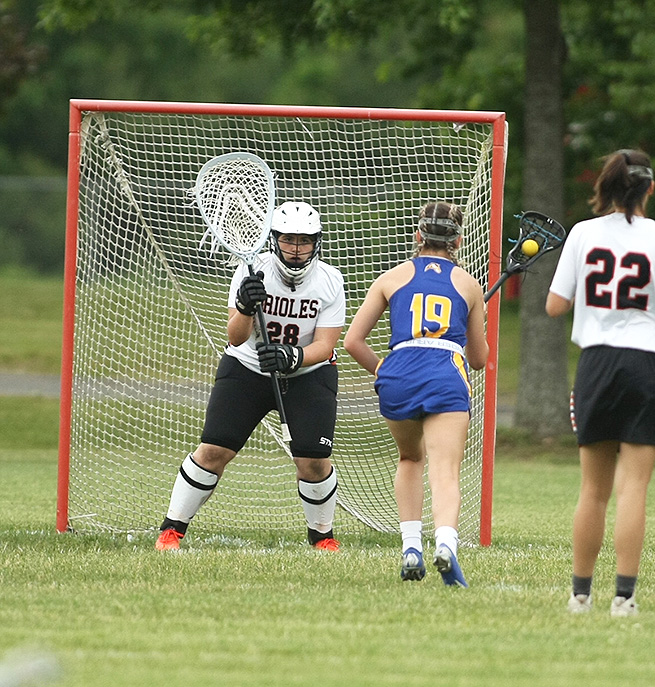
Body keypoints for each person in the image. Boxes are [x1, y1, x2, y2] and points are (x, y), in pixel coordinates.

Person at [546, 149, 655, 616]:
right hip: (650, 368)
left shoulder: (583, 234)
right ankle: (623, 598)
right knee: (634, 489)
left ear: (606, 186)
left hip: (597, 365)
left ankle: (579, 595)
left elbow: (554, 307)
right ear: (649, 188)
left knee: (593, 490)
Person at [155, 201, 345, 552]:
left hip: (308, 374)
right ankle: (171, 530)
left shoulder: (330, 281)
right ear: (275, 240)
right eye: (289, 239)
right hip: (247, 369)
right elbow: (235, 336)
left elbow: (327, 345)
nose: (297, 249)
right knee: (213, 450)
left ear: (317, 242)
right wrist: (244, 305)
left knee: (313, 461)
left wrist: (294, 356)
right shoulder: (251, 271)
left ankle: (322, 536)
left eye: (305, 240)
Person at [343, 201, 488, 586]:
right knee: (445, 470)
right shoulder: (468, 285)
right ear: (457, 241)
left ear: (418, 235)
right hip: (444, 374)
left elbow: (353, 342)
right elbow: (478, 359)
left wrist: (383, 371)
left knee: (410, 458)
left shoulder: (391, 277)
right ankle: (445, 545)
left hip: (399, 373)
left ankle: (411, 547)